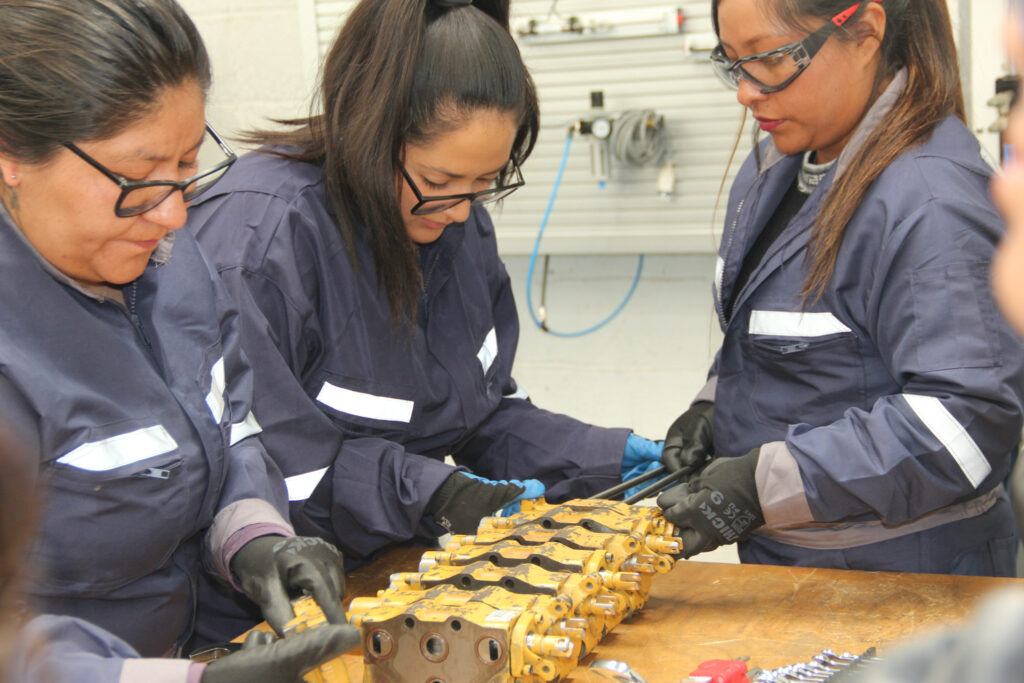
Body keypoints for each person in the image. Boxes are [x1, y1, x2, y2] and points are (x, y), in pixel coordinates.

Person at [184, 0, 663, 567]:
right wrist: (432, 494)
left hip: (389, 569)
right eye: (439, 180)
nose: (461, 210)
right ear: (369, 132)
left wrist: (601, 457)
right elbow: (266, 473)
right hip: (269, 589)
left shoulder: (452, 221)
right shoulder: (259, 244)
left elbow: (475, 417)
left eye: (486, 182)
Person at [0, 0, 359, 679]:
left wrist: (253, 536)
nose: (172, 214)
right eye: (137, 181)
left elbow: (228, 425)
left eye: (187, 165)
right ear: (13, 153)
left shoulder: (165, 256)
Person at [657, 0, 1024, 575]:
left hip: (903, 576)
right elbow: (788, 331)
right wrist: (715, 406)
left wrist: (762, 484)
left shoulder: (930, 202)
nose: (746, 92)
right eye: (733, 63)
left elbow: (965, 425)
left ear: (866, 32)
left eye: (770, 59)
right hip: (789, 563)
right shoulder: (772, 169)